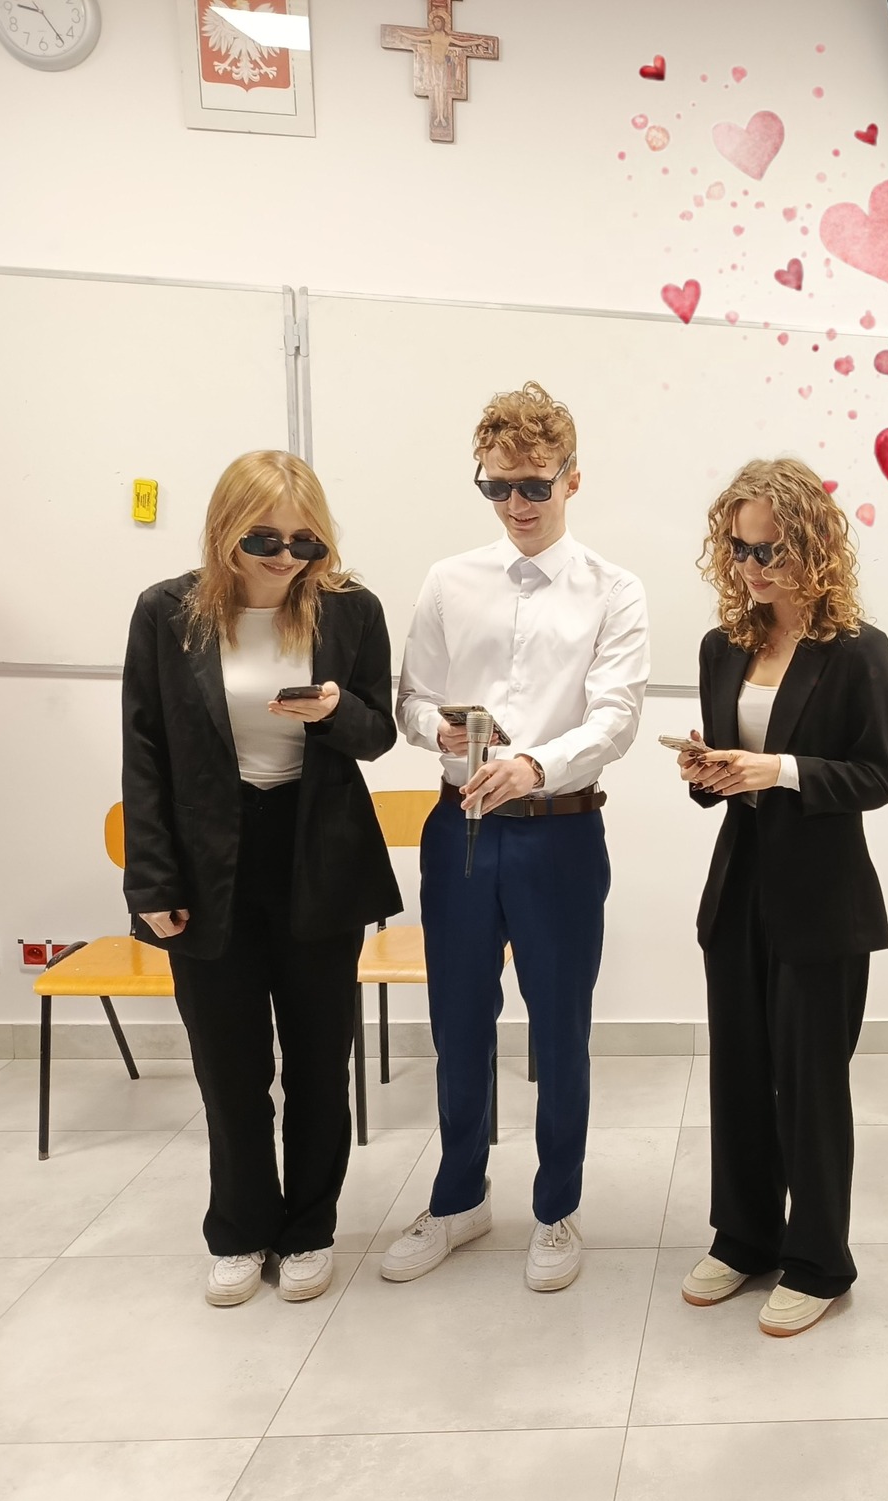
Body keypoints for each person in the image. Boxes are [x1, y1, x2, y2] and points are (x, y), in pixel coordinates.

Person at [121, 449, 401, 1306]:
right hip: (209, 865)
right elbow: (145, 751)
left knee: (319, 1062)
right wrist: (152, 883)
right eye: (266, 540)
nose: (287, 558)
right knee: (230, 1067)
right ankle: (241, 1229)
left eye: (306, 542)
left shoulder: (350, 610)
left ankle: (310, 1227)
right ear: (224, 531)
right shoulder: (167, 613)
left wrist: (334, 713)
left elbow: (377, 735)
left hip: (317, 858)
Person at [386, 381, 649, 1294]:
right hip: (460, 828)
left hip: (560, 833)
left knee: (560, 1029)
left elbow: (615, 719)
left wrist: (535, 764)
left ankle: (556, 1209)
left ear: (573, 477)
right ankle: (460, 1199)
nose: (517, 505)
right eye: (496, 487)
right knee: (457, 1023)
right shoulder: (448, 580)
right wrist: (435, 729)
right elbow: (410, 698)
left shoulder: (615, 589)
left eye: (534, 485)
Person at [676, 458, 888, 1337]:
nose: (752, 567)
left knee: (809, 1088)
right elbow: (725, 780)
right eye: (739, 549)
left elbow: (875, 777)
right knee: (738, 1074)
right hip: (738, 889)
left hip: (824, 897)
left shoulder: (858, 652)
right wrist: (709, 772)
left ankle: (818, 1262)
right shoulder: (722, 647)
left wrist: (778, 770)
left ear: (813, 543)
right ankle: (744, 1239)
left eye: (770, 549)